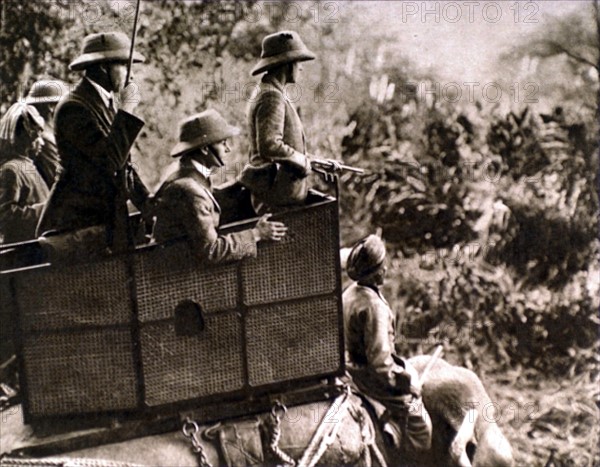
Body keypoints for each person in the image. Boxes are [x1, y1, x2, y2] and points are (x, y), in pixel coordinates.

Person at [36, 31, 150, 249]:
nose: (132, 75)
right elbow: (109, 162)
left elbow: (124, 166)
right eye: (125, 66)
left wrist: (148, 203)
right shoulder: (73, 107)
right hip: (76, 229)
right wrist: (127, 109)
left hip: (103, 223)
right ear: (104, 67)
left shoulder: (103, 103)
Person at [153, 109, 287, 264]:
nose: (228, 148)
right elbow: (211, 251)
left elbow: (208, 196)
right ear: (204, 149)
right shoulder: (189, 191)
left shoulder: (185, 170)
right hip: (180, 276)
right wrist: (256, 234)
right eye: (223, 143)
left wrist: (240, 183)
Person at [342, 234, 432, 455]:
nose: (384, 270)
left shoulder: (350, 293)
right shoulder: (374, 308)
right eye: (380, 267)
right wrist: (406, 383)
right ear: (372, 273)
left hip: (349, 370)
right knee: (421, 424)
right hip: (369, 378)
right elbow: (381, 364)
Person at [241, 30, 339, 213]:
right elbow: (270, 145)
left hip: (277, 193)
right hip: (277, 198)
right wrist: (302, 161)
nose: (300, 67)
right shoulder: (272, 96)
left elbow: (282, 146)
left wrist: (315, 162)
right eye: (298, 62)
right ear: (286, 65)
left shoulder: (270, 91)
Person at [0, 103, 49, 244]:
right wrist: (45, 209)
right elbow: (6, 217)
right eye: (35, 137)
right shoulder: (10, 170)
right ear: (23, 138)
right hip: (24, 251)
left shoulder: (28, 165)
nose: (41, 143)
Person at [24, 79, 69, 188]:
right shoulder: (44, 139)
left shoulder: (50, 133)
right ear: (51, 107)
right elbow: (59, 179)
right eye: (65, 104)